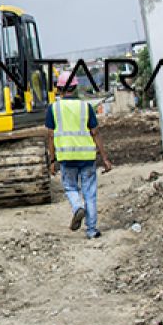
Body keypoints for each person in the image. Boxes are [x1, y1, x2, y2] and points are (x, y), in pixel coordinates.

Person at [46, 71, 112, 238]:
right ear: (75, 87)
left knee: (70, 187)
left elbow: (50, 135)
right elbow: (95, 132)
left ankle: (77, 207)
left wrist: (52, 160)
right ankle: (91, 231)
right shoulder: (85, 107)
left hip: (66, 158)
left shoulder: (54, 109)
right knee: (89, 193)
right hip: (87, 157)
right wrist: (104, 158)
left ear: (59, 88)